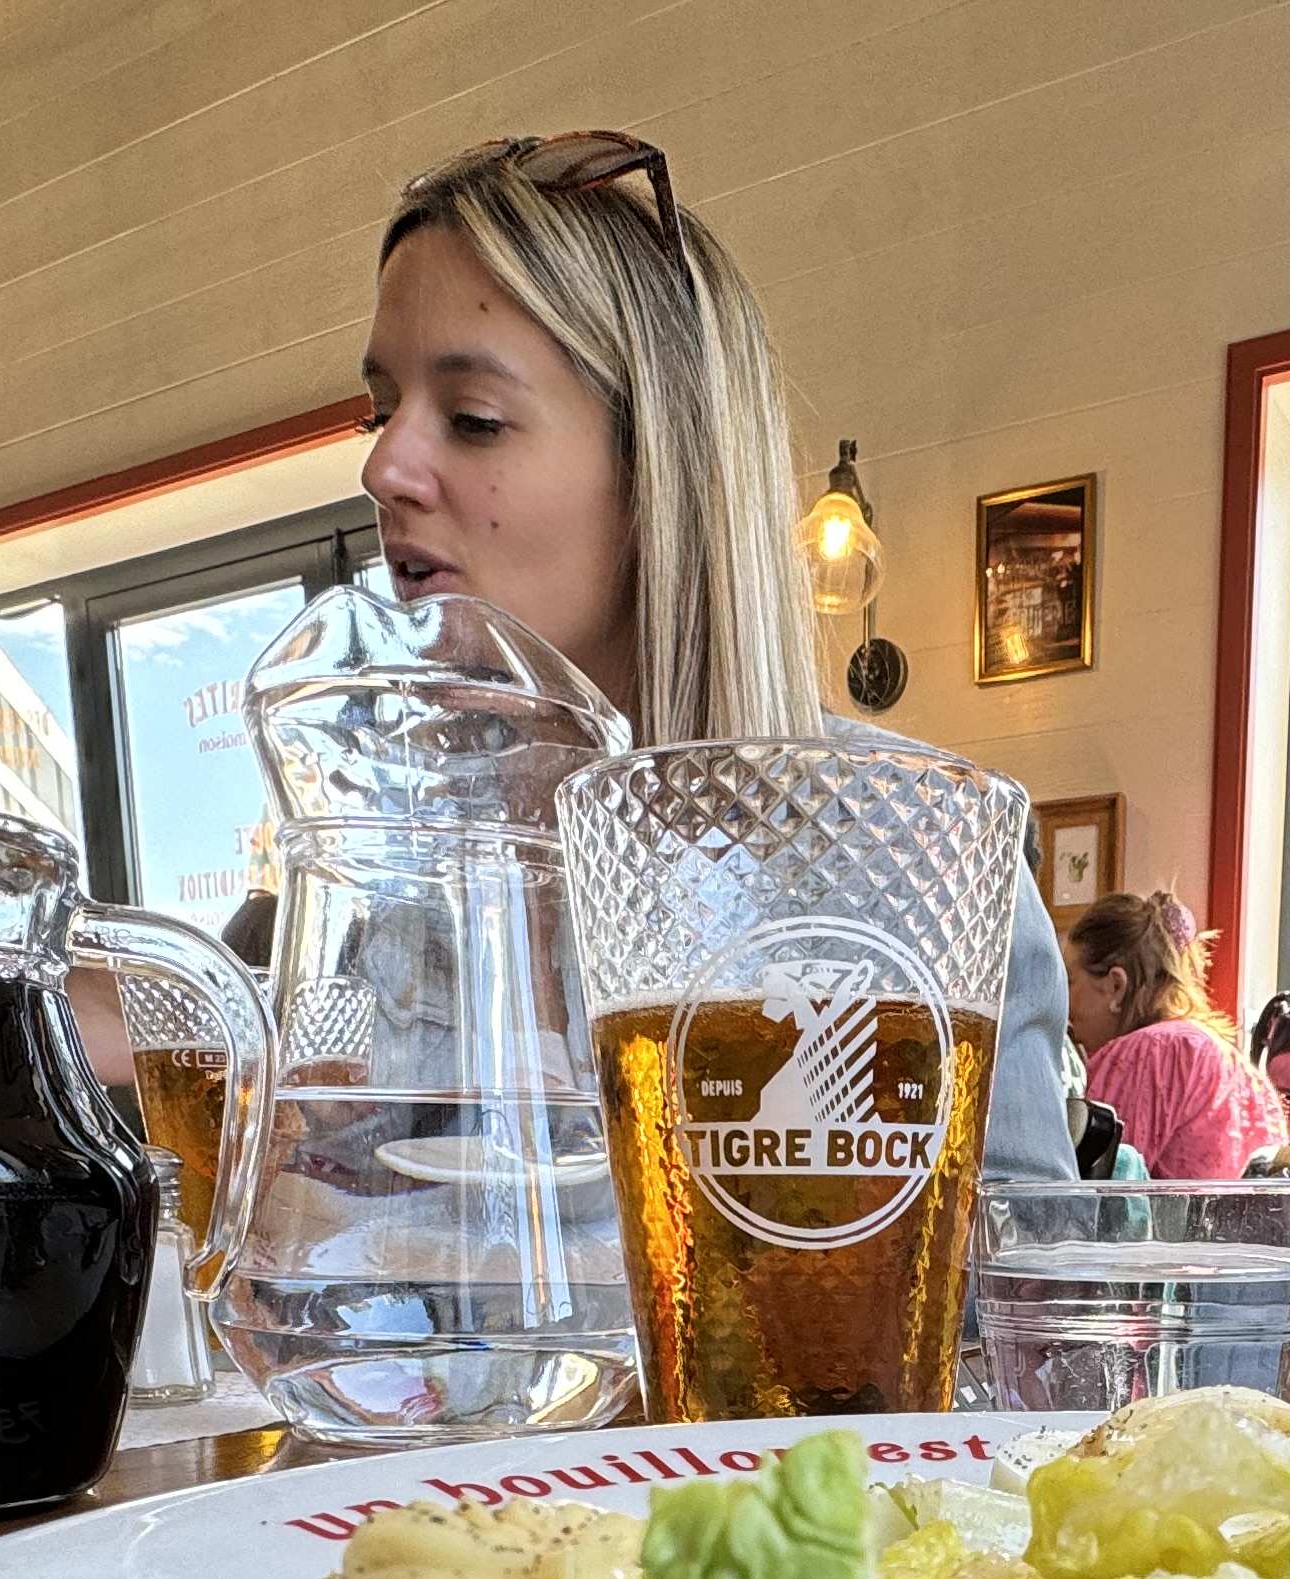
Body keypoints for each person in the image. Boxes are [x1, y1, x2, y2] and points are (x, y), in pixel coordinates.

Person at [361, 133, 1072, 1181]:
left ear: (661, 467)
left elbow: (1010, 1271)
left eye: (472, 419)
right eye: (380, 412)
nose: (383, 465)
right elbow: (401, 1247)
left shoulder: (919, 853)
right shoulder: (413, 876)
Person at [1064, 890, 1284, 1178]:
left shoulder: (1147, 1054)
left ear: (1116, 986)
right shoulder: (1235, 1065)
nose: (1061, 999)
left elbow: (1089, 1187)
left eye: (1069, 981)